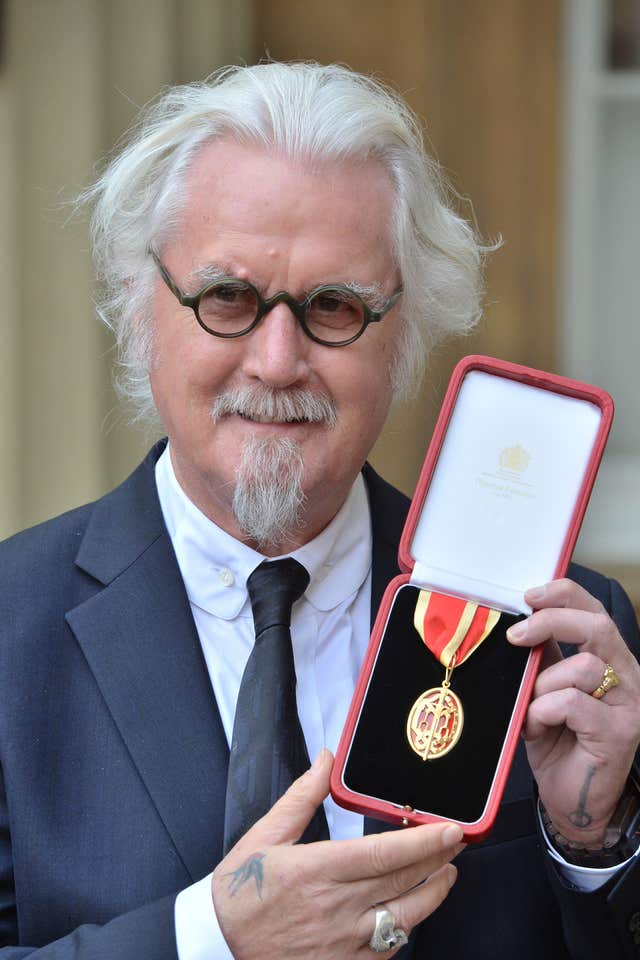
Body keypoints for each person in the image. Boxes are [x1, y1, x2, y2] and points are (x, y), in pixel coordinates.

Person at [1, 61, 639, 960]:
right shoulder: (7, 627)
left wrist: (593, 844)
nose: (275, 359)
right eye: (227, 296)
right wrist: (212, 941)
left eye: (333, 307)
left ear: (405, 335)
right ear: (142, 308)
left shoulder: (564, 633)